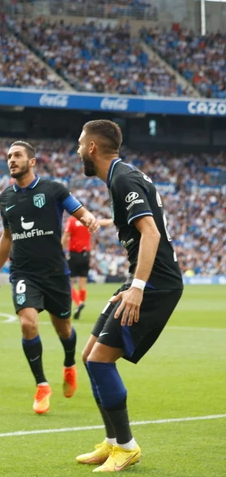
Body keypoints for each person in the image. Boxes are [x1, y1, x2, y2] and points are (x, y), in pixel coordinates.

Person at [74, 120, 183, 472]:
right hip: (140, 279)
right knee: (89, 355)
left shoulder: (123, 179)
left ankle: (127, 447)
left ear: (92, 148)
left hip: (155, 284)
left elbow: (151, 233)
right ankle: (112, 443)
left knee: (100, 361)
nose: (78, 150)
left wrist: (136, 288)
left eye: (80, 144)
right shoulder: (121, 177)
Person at [0, 141, 99, 414]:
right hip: (23, 272)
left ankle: (69, 364)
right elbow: (7, 236)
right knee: (28, 324)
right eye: (9, 156)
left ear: (32, 161)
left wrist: (88, 218)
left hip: (55, 273)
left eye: (17, 155)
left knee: (64, 329)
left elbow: (77, 209)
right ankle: (42, 385)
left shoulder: (53, 189)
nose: (11, 160)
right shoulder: (5, 198)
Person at [62, 214, 113, 319]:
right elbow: (104, 222)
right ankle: (79, 308)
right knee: (82, 284)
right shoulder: (88, 220)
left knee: (69, 283)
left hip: (74, 255)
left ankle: (79, 303)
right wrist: (114, 219)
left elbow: (66, 237)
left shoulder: (71, 220)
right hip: (86, 255)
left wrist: (60, 251)